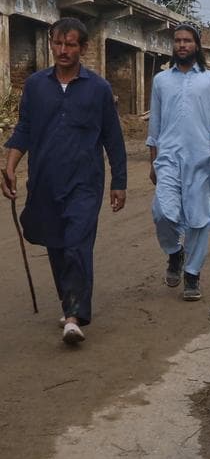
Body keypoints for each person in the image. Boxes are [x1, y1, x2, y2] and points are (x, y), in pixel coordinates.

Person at [2, 18, 127, 344]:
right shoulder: (35, 85)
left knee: (75, 243)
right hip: (44, 181)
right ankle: (71, 302)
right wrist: (10, 165)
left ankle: (73, 316)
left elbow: (113, 138)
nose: (63, 50)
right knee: (57, 245)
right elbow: (24, 130)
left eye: (70, 44)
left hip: (85, 183)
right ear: (51, 44)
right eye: (58, 43)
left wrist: (119, 181)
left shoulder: (98, 88)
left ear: (83, 48)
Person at [148, 23, 210, 302]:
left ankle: (192, 274)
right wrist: (153, 162)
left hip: (201, 160)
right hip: (168, 159)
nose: (182, 45)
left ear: (196, 46)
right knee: (161, 212)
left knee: (199, 220)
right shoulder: (161, 80)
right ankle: (174, 252)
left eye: (187, 41)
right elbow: (154, 126)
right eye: (177, 41)